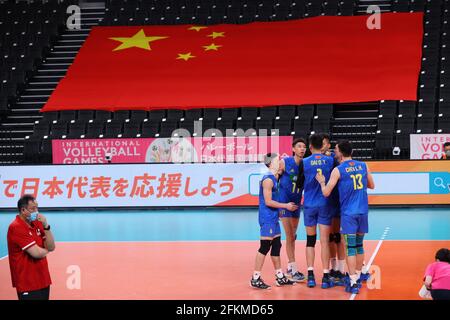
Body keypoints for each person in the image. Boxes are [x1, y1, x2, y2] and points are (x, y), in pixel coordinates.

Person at [315, 140, 375, 294]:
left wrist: (322, 182)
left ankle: (353, 281)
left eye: (336, 150)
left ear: (341, 152)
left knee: (350, 248)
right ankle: (359, 275)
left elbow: (326, 192)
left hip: (349, 214)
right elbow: (371, 185)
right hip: (363, 212)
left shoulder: (338, 170)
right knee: (359, 246)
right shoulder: (363, 166)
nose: (334, 152)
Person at [250, 153, 297, 289]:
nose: (280, 162)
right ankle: (255, 278)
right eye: (278, 160)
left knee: (276, 246)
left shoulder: (274, 177)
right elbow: (268, 201)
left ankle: (279, 276)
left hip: (274, 218)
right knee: (264, 247)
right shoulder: (268, 180)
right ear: (271, 163)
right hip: (267, 218)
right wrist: (286, 206)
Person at [296, 134, 335, 289]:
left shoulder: (304, 162)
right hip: (325, 204)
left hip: (310, 205)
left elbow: (299, 184)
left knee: (310, 241)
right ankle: (325, 276)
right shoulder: (330, 161)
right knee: (325, 241)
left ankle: (311, 275)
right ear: (323, 146)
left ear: (310, 147)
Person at [7, 195, 55, 300]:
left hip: (43, 280)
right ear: (23, 210)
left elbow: (51, 246)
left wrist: (46, 226)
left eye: (37, 208)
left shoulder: (38, 223)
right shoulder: (16, 227)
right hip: (27, 283)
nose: (36, 211)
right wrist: (46, 250)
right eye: (33, 209)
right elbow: (36, 253)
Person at [278, 138, 307, 282]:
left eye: (304, 147)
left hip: (296, 204)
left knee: (293, 236)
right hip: (284, 204)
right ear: (293, 149)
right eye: (299, 146)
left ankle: (290, 266)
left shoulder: (305, 164)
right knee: (290, 236)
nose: (302, 149)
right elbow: (274, 178)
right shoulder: (285, 162)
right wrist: (276, 204)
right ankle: (293, 271)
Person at [320, 133, 346, 286]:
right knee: (329, 238)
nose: (323, 147)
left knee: (338, 236)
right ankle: (333, 268)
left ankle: (341, 270)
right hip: (324, 203)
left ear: (329, 145)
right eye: (320, 144)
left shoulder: (335, 160)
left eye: (325, 144)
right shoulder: (315, 161)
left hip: (337, 200)